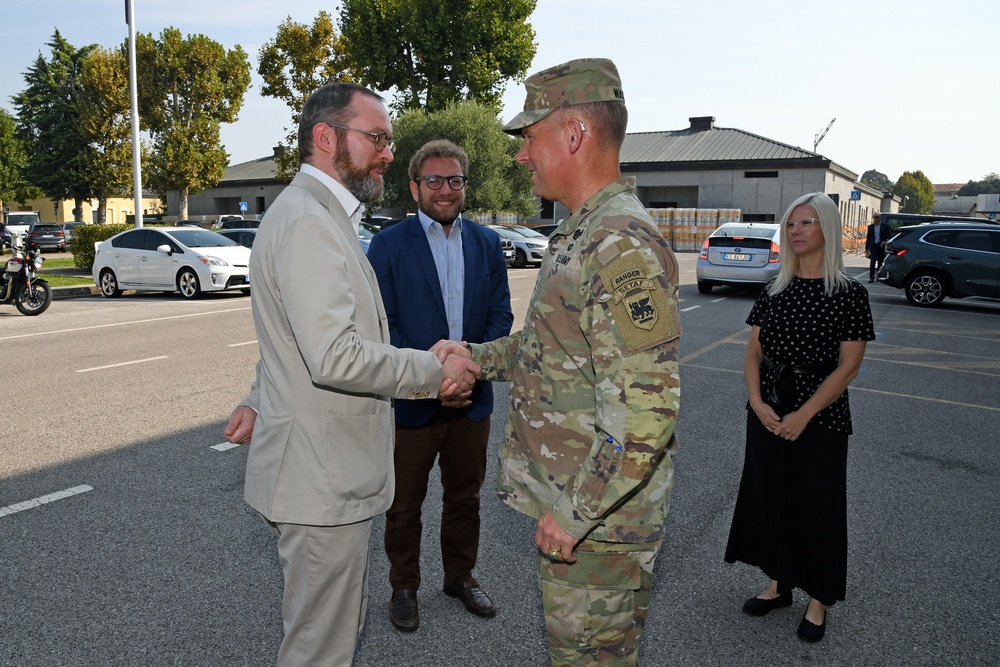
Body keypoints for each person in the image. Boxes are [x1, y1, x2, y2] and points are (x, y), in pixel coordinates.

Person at [222, 82, 481, 667]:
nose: (389, 153)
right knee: (321, 649)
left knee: (333, 634)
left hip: (324, 473)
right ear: (325, 137)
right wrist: (431, 370)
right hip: (319, 482)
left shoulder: (317, 215)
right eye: (377, 138)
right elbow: (334, 353)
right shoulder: (311, 222)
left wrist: (260, 396)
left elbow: (293, 338)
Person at [445, 58, 682, 666]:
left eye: (530, 137)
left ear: (574, 134)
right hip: (584, 510)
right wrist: (473, 356)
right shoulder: (581, 232)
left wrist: (576, 514)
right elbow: (546, 347)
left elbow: (646, 416)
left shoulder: (618, 244)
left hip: (599, 526)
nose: (522, 155)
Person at [366, 139, 514, 631]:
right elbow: (383, 324)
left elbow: (500, 315)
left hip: (471, 398)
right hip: (412, 401)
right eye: (434, 180)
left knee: (465, 498)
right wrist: (434, 377)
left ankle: (460, 577)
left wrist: (465, 367)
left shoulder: (487, 243)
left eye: (455, 180)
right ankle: (403, 586)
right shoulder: (387, 245)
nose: (446, 190)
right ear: (414, 187)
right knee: (404, 504)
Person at [724, 192, 875, 644]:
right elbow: (753, 353)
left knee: (817, 505)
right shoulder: (774, 288)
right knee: (770, 498)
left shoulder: (849, 294)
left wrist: (805, 414)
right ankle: (778, 585)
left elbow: (848, 366)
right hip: (768, 409)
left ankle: (818, 599)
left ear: (827, 229)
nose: (797, 231)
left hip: (821, 415)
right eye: (792, 224)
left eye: (807, 223)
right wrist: (756, 401)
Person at [865, 212, 892, 282]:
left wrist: (885, 241)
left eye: (877, 217)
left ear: (880, 218)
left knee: (880, 262)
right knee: (872, 262)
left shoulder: (885, 226)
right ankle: (871, 278)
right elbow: (868, 237)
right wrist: (867, 247)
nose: (875, 219)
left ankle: (878, 276)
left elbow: (889, 235)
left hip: (881, 246)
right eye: (874, 217)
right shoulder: (870, 227)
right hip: (873, 246)